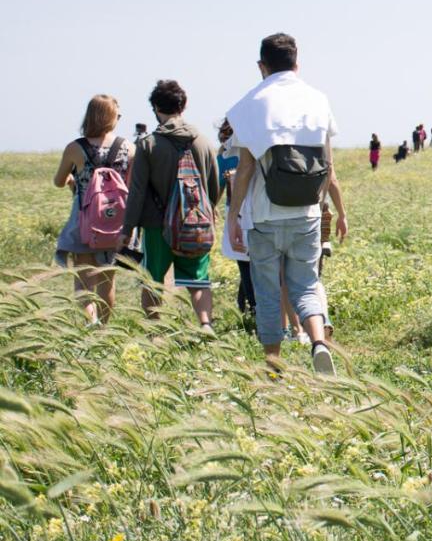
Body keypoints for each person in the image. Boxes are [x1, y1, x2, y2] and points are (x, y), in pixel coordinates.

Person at [225, 33, 346, 373]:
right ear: (297, 63)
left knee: (266, 293)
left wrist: (234, 216)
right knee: (306, 285)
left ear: (262, 66)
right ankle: (319, 343)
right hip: (307, 211)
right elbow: (329, 164)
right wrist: (336, 210)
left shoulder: (252, 102)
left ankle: (273, 365)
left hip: (264, 214)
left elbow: (246, 168)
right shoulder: (318, 99)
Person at [122, 80, 221, 333]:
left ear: (156, 107)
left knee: (152, 279)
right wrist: (205, 211)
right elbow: (214, 185)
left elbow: (137, 191)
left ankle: (155, 332)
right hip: (195, 223)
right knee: (198, 280)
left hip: (157, 226)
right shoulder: (204, 142)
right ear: (183, 106)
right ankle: (206, 325)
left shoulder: (148, 145)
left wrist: (128, 228)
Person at [53, 94, 133, 325]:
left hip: (84, 221)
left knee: (84, 281)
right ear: (110, 117)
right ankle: (105, 331)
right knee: (108, 280)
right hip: (115, 222)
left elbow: (59, 181)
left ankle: (90, 325)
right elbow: (132, 185)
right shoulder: (128, 147)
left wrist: (73, 182)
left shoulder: (75, 148)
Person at [217, 119, 255, 328]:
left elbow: (217, 187)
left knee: (245, 265)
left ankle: (250, 308)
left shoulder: (225, 155)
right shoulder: (257, 146)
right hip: (259, 212)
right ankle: (251, 307)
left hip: (237, 214)